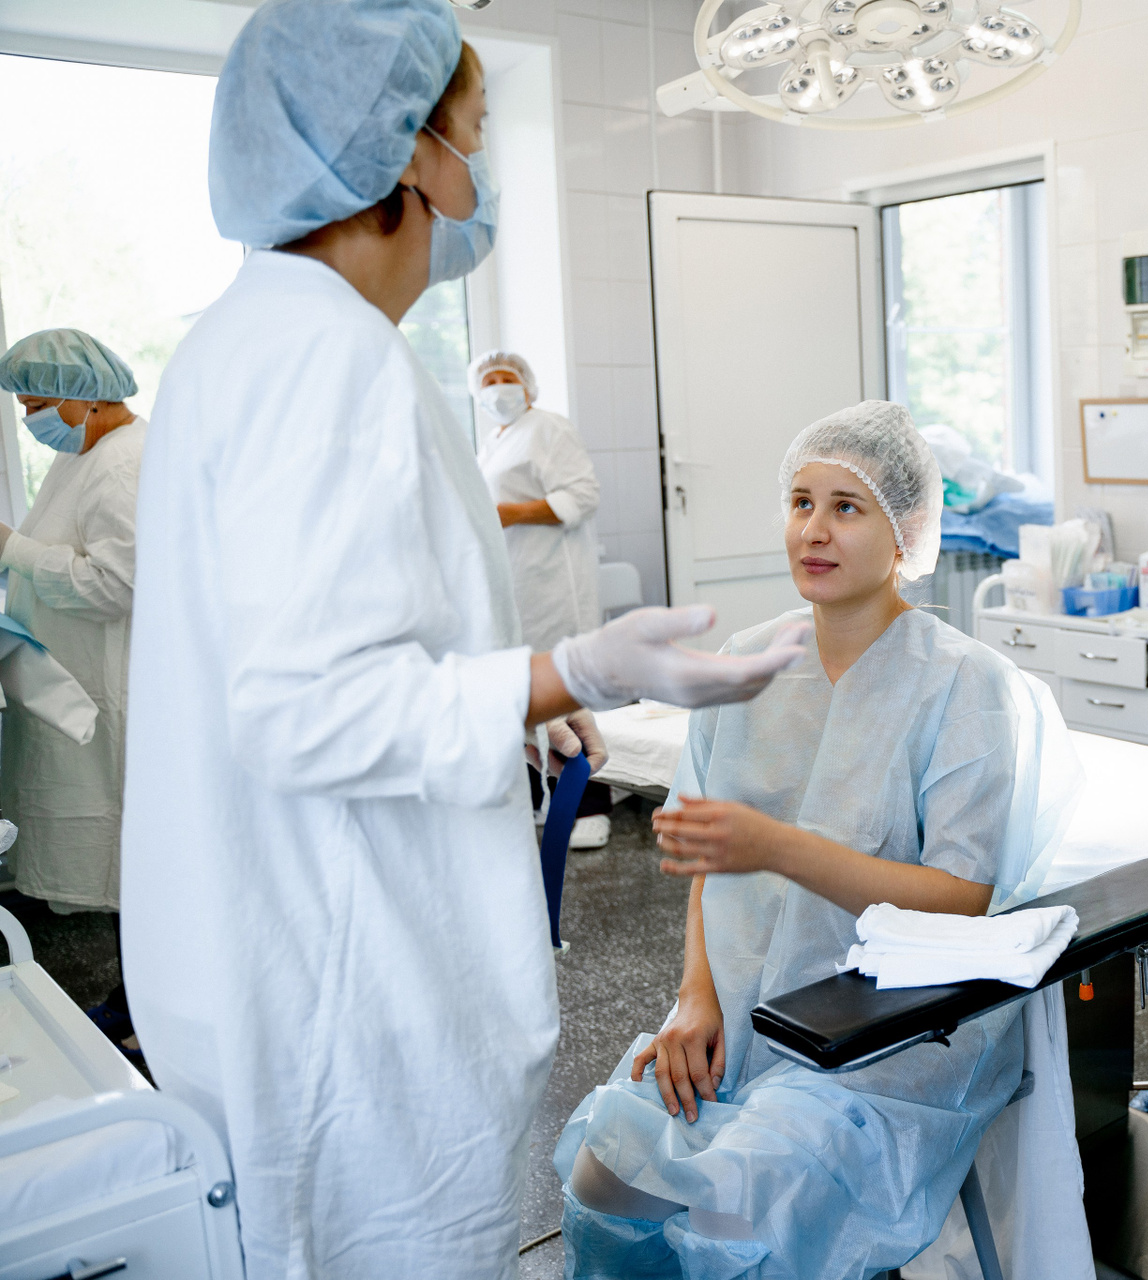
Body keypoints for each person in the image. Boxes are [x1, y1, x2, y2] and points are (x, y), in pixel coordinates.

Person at [118, 4, 804, 1277]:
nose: (478, 174)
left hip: (274, 952)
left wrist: (518, 697)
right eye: (473, 135)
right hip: (351, 997)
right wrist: (572, 666)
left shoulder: (243, 343)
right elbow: (309, 706)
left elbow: (330, 638)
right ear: (405, 153)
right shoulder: (325, 356)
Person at [552, 401, 1090, 1280]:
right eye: (802, 502)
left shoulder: (964, 687)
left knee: (736, 1212)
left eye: (847, 507)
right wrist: (694, 998)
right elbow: (708, 868)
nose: (815, 529)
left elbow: (963, 900)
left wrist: (777, 846)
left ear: (906, 533)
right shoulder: (747, 663)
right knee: (604, 1180)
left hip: (891, 1038)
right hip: (736, 1011)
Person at [0, 328, 145, 1047]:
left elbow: (116, 585)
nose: (30, 420)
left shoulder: (122, 467)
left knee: (130, 862)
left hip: (112, 689)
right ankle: (133, 1003)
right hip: (82, 679)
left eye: (37, 405)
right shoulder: (87, 451)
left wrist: (12, 549)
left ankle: (144, 1015)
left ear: (85, 396)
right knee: (123, 867)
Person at [469, 349, 616, 848]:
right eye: (488, 381)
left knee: (567, 689)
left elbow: (582, 495)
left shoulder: (547, 427)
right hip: (517, 585)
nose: (497, 388)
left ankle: (590, 807)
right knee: (529, 694)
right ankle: (544, 798)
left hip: (554, 583)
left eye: (506, 378)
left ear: (527, 384)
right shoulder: (495, 441)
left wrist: (510, 513)